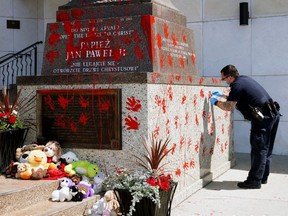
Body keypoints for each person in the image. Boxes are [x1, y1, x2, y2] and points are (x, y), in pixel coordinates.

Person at [210, 64, 280, 189]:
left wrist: (215, 102)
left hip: (263, 118)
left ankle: (254, 180)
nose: (224, 81)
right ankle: (262, 177)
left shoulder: (236, 85)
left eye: (224, 79)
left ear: (230, 77)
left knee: (259, 149)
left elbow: (229, 107)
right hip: (273, 115)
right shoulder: (244, 79)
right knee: (266, 148)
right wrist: (222, 96)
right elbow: (240, 98)